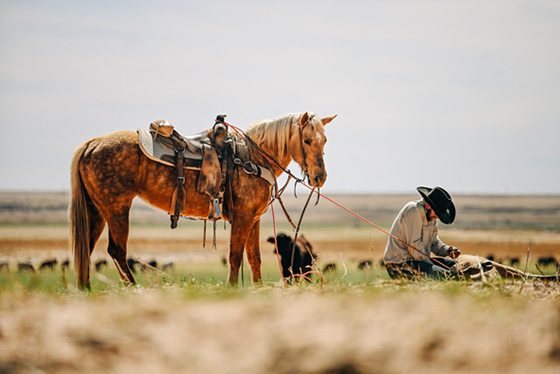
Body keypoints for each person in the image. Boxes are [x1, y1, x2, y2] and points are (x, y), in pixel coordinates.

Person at [383, 186, 461, 280]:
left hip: (420, 261)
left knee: (458, 267)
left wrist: (447, 250)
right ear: (428, 205)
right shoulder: (414, 210)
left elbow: (434, 242)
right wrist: (432, 266)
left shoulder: (431, 216)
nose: (438, 217)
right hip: (401, 265)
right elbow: (415, 245)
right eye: (437, 213)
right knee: (448, 276)